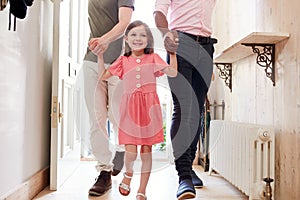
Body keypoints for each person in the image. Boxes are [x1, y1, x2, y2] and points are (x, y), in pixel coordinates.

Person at [101, 20, 178, 200]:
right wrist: (100, 57)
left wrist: (172, 54)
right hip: (129, 110)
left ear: (149, 40)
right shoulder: (123, 60)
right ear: (126, 39)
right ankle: (128, 174)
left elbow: (173, 73)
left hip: (149, 110)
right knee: (131, 151)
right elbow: (104, 76)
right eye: (134, 35)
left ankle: (142, 189)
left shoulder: (153, 58)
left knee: (146, 151)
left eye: (143, 35)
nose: (138, 38)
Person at [154, 0, 218, 199]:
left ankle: (189, 168)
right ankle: (183, 178)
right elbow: (159, 12)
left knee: (197, 110)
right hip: (181, 44)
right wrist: (166, 34)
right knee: (183, 108)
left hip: (206, 48)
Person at [83, 0, 134, 196]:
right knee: (97, 118)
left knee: (117, 115)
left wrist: (104, 40)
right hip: (92, 59)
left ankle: (121, 149)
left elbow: (124, 22)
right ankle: (104, 172)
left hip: (118, 59)